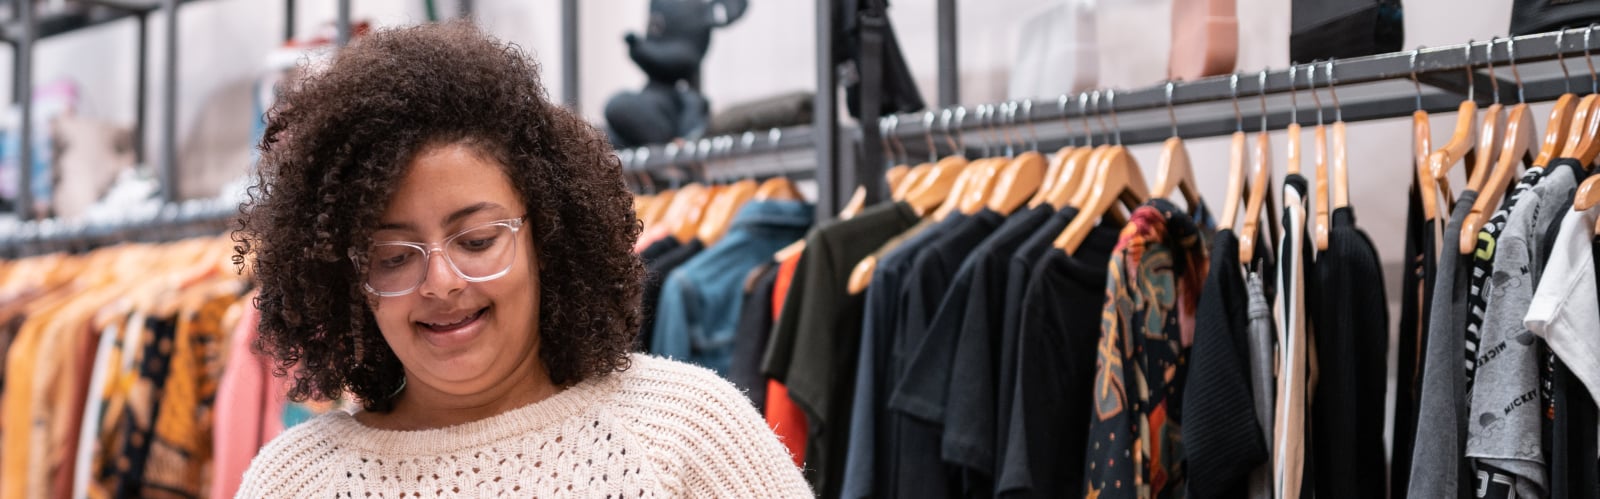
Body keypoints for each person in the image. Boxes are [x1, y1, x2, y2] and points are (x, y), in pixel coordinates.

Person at [232, 21, 811, 498]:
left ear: (547, 237)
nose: (441, 283)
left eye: (477, 240)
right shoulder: (296, 482)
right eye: (394, 257)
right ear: (347, 280)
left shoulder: (688, 434)